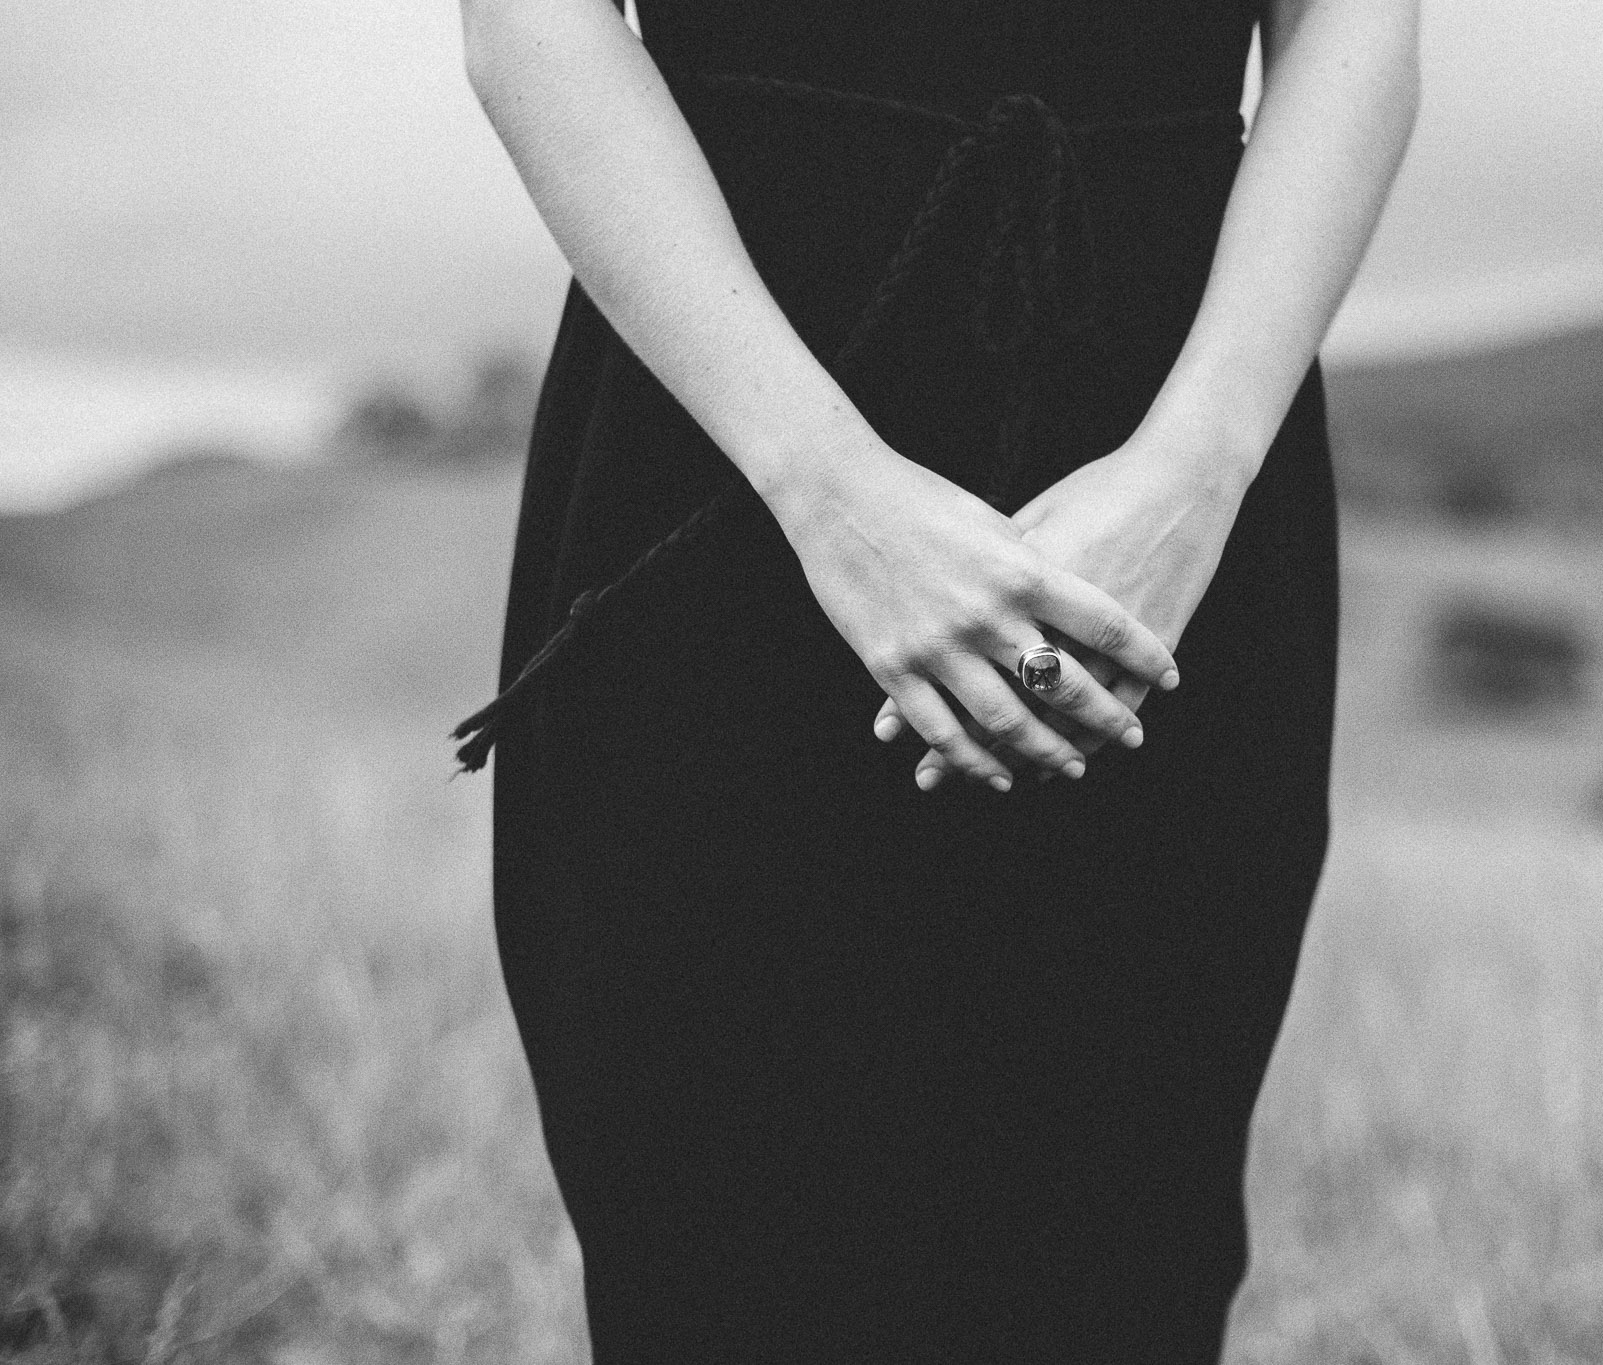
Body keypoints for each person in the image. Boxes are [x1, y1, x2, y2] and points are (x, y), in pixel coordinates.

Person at [457, 0, 1417, 1358]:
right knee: (718, 1255)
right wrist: (830, 491)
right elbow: (527, 23)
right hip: (723, 419)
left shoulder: (1189, 488)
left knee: (1117, 1260)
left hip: (1175, 452)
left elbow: (1357, 25)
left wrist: (1195, 475)